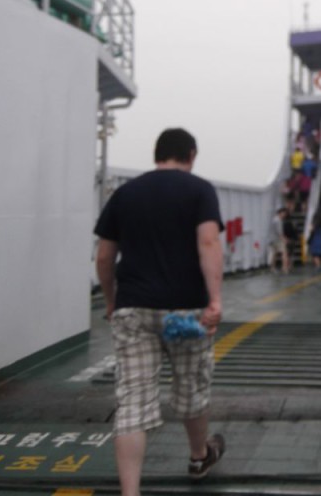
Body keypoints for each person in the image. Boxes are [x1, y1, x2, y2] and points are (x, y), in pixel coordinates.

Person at [94, 128, 226, 496]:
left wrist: (110, 301)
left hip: (133, 309)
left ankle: (130, 492)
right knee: (190, 387)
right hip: (185, 311)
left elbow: (104, 256)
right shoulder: (200, 190)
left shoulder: (125, 193)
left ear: (157, 155)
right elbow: (209, 241)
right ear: (192, 154)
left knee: (133, 401)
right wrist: (214, 299)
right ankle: (200, 456)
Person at [270, 207, 289, 274]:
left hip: (272, 239)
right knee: (284, 253)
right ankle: (284, 268)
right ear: (280, 213)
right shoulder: (278, 220)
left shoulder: (274, 219)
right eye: (284, 213)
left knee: (274, 254)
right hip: (277, 239)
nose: (284, 215)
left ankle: (272, 268)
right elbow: (279, 232)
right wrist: (284, 239)